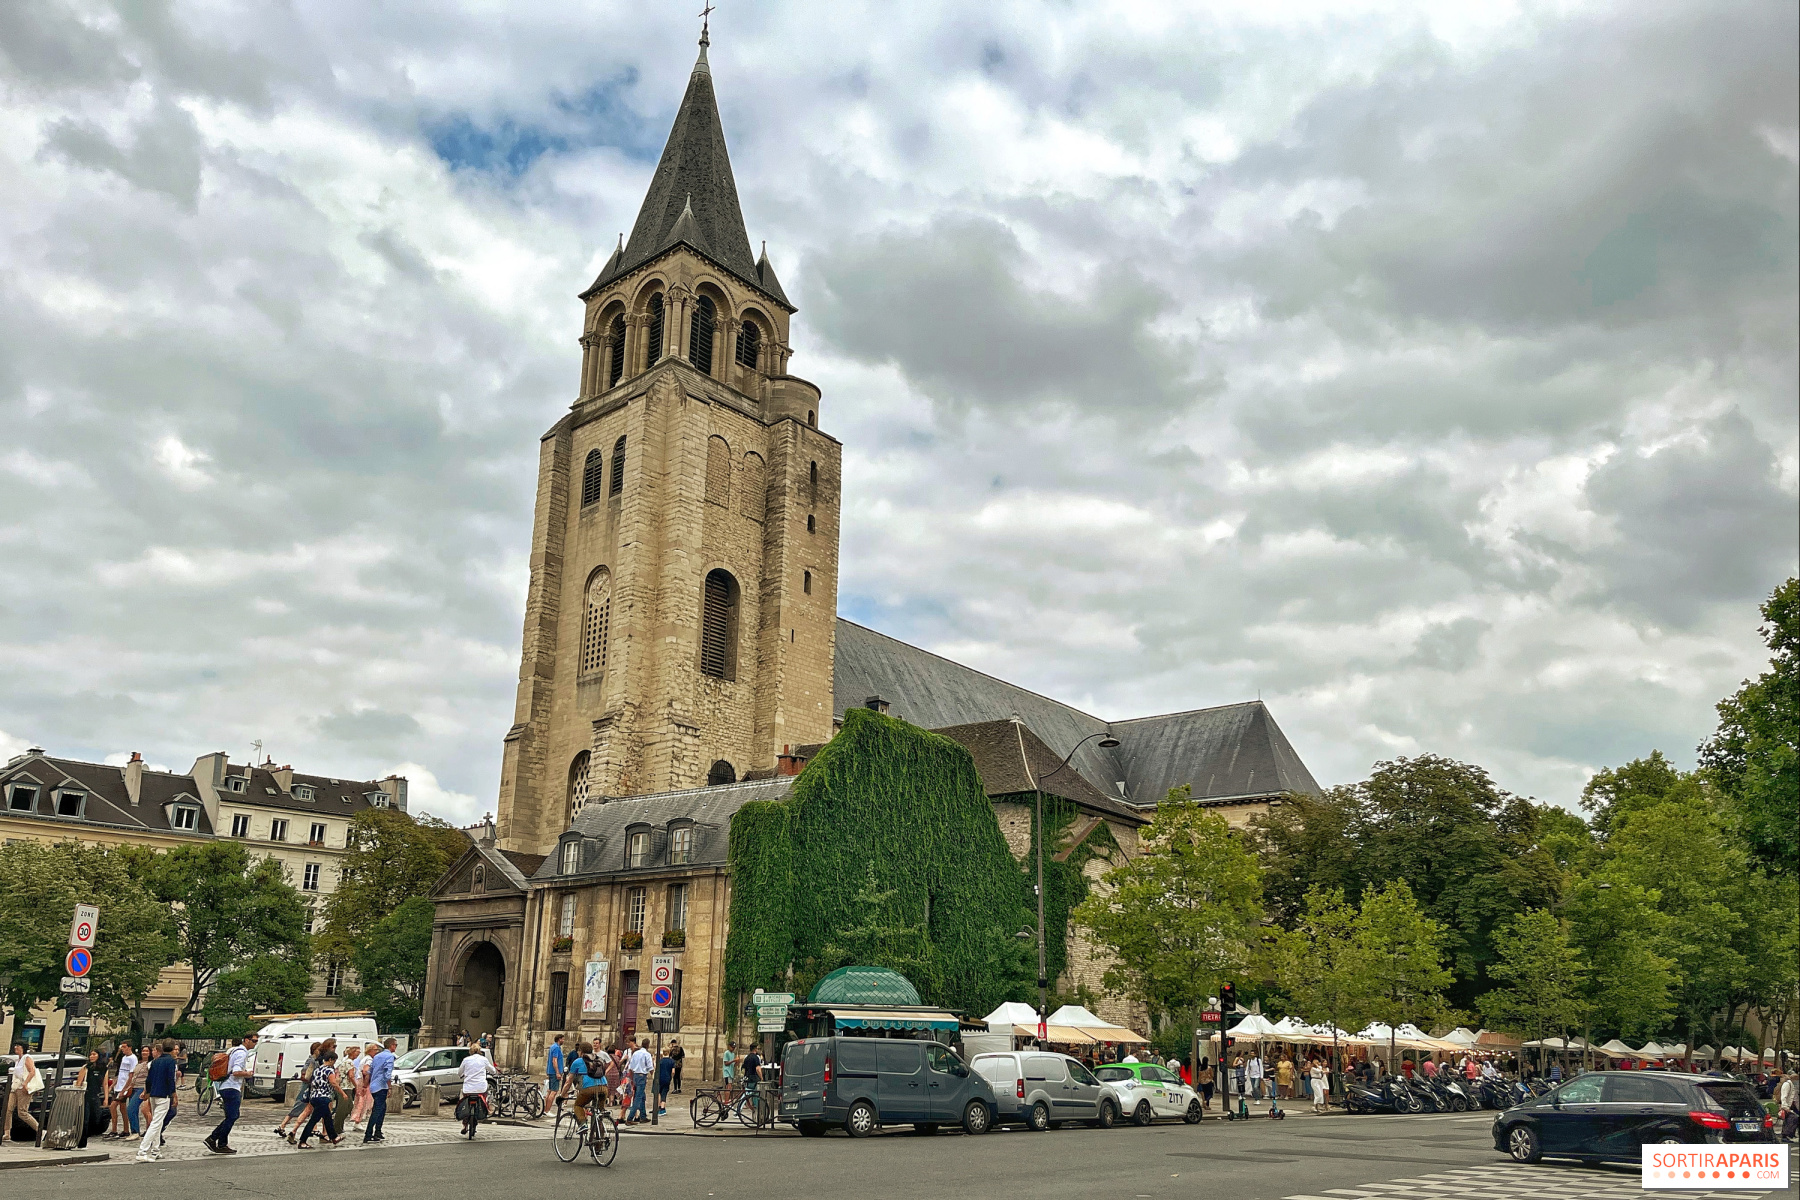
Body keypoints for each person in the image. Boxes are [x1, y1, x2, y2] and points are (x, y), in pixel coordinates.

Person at [205, 1031, 258, 1154]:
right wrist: (248, 1073)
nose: (255, 1043)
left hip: (226, 1086)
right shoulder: (241, 1053)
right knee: (232, 1116)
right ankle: (215, 1140)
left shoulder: (235, 1050)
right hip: (231, 1087)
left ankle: (219, 1142)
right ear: (246, 1040)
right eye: (254, 1041)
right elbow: (236, 1071)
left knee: (232, 1116)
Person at [134, 1038, 179, 1162]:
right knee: (156, 1123)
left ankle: (155, 1149)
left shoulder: (155, 1061)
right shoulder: (171, 1062)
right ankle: (142, 1150)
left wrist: (147, 1092)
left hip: (154, 1094)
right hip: (164, 1094)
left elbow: (149, 1079)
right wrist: (174, 1095)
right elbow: (170, 1079)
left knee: (157, 1122)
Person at [295, 1050, 344, 1148]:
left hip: (314, 1096)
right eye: (334, 1061)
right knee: (313, 1120)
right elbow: (333, 1083)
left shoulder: (317, 1069)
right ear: (330, 1060)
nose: (334, 1063)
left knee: (327, 1118)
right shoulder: (329, 1070)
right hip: (323, 1097)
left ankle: (334, 1137)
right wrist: (342, 1093)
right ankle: (302, 1141)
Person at [277, 1042, 323, 1140]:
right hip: (307, 1087)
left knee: (310, 1108)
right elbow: (304, 1073)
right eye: (319, 1049)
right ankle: (282, 1125)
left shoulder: (316, 1060)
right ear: (315, 1050)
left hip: (311, 1087)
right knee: (299, 1107)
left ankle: (314, 1128)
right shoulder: (311, 1060)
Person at [3, 1044, 42, 1148]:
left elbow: (32, 1071)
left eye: (18, 1046)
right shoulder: (18, 1060)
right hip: (15, 1087)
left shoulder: (27, 1057)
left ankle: (40, 1130)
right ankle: (7, 1133)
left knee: (22, 1112)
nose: (16, 1048)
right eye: (15, 1046)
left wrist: (25, 1083)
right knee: (8, 1109)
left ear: (23, 1047)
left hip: (23, 1088)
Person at [363, 1038, 398, 1144]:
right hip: (381, 1086)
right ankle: (368, 1134)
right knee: (377, 1110)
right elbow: (387, 1074)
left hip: (374, 1085)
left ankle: (378, 1132)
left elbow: (370, 1071)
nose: (396, 1047)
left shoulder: (377, 1056)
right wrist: (390, 1087)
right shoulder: (389, 1056)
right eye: (395, 1045)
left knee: (382, 1109)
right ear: (391, 1045)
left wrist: (365, 1084)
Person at [458, 1041, 491, 1138]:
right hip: (481, 1088)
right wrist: (493, 1072)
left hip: (468, 1089)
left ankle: (465, 1125)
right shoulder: (484, 1059)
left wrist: (462, 1075)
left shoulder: (466, 1060)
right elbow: (492, 1070)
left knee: (463, 1100)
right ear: (480, 1051)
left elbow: (460, 1072)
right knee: (487, 1093)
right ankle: (487, 1108)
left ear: (470, 1051)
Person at [626, 1038, 653, 1124]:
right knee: (638, 1097)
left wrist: (632, 1078)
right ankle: (630, 1118)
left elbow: (631, 1067)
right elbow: (650, 1067)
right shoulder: (647, 1054)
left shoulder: (636, 1053)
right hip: (642, 1076)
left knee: (642, 1096)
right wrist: (654, 1076)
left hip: (635, 1075)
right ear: (648, 1045)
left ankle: (643, 1116)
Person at [545, 1034, 566, 1115]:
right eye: (563, 1039)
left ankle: (545, 1109)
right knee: (554, 1092)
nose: (563, 1041)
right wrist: (557, 1072)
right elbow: (554, 1060)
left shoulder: (553, 1047)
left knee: (550, 1091)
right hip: (554, 1072)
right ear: (559, 1039)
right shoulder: (556, 1048)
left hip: (551, 1072)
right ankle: (547, 1110)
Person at [656, 1045, 675, 1115]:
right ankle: (662, 1108)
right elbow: (673, 1071)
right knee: (664, 1093)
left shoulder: (660, 1061)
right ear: (669, 1052)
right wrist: (671, 1077)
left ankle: (658, 1106)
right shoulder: (672, 1061)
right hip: (667, 1078)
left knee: (658, 1092)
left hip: (660, 1078)